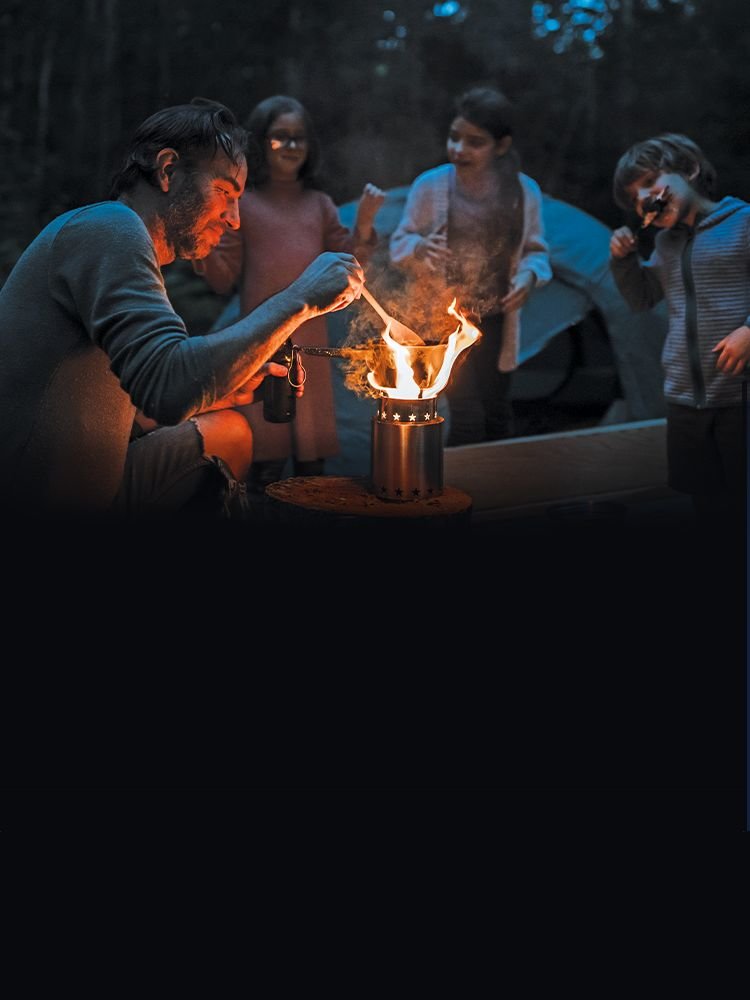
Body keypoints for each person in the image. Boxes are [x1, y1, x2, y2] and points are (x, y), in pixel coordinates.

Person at [0, 98, 364, 519]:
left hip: (94, 479)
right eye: (225, 192)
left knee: (230, 432)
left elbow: (131, 414)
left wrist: (223, 390)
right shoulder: (107, 228)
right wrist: (301, 298)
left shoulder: (127, 247)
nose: (235, 219)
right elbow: (167, 387)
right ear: (168, 170)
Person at [194, 94, 385, 494]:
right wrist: (201, 240)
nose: (291, 145)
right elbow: (222, 278)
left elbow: (348, 265)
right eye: (280, 137)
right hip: (260, 345)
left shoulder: (319, 204)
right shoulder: (244, 204)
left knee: (311, 462)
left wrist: (365, 224)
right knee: (264, 458)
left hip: (310, 349)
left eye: (299, 137)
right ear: (261, 143)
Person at [389, 86, 552, 445]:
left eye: (475, 142)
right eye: (454, 137)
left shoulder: (523, 192)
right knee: (464, 414)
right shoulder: (430, 186)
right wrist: (420, 247)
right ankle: (454, 479)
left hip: (495, 318)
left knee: (496, 411)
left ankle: (498, 478)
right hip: (443, 319)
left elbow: (536, 252)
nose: (459, 149)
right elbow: (399, 243)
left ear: (501, 146)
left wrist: (529, 275)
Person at [609, 133, 749, 527]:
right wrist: (624, 261)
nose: (645, 199)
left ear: (689, 169)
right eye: (635, 198)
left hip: (740, 396)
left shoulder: (743, 224)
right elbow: (642, 298)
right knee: (707, 502)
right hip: (686, 398)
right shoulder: (666, 245)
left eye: (650, 182)